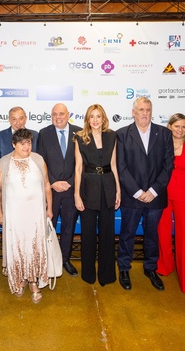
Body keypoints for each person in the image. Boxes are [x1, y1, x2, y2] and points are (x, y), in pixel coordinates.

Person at [116, 97, 174, 291]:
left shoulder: (164, 133)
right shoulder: (122, 134)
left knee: (152, 235)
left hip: (155, 197)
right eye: (141, 109)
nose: (144, 113)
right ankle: (124, 268)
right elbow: (121, 167)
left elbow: (168, 165)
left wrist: (154, 191)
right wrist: (138, 192)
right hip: (131, 197)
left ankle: (150, 268)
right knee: (127, 235)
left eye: (148, 110)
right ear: (133, 112)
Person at [0, 128, 52, 303]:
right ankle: (19, 279)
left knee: (34, 247)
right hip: (14, 216)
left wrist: (50, 209)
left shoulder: (38, 160)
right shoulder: (3, 163)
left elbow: (47, 185)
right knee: (18, 247)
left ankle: (33, 282)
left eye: (29, 142)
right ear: (13, 144)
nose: (26, 146)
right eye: (22, 143)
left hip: (35, 215)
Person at [156, 113, 185, 295]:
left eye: (184, 127)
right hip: (163, 196)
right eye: (177, 126)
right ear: (169, 127)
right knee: (163, 234)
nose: (180, 130)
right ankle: (164, 268)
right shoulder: (160, 147)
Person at [74, 104, 120, 286]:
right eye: (91, 116)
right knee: (88, 234)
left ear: (103, 118)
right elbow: (78, 168)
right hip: (88, 188)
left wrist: (118, 190)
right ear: (87, 119)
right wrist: (77, 195)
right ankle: (88, 274)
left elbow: (114, 165)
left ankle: (107, 275)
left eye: (98, 116)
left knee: (108, 234)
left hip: (108, 186)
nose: (95, 120)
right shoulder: (80, 138)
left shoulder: (112, 136)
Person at [37, 103, 82, 277]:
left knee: (69, 227)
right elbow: (41, 161)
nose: (58, 117)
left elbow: (82, 163)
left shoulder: (79, 132)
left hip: (72, 190)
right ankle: (48, 260)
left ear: (68, 114)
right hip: (51, 190)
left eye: (61, 114)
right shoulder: (44, 133)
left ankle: (64, 259)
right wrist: (53, 182)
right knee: (50, 226)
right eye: (54, 114)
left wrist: (70, 182)